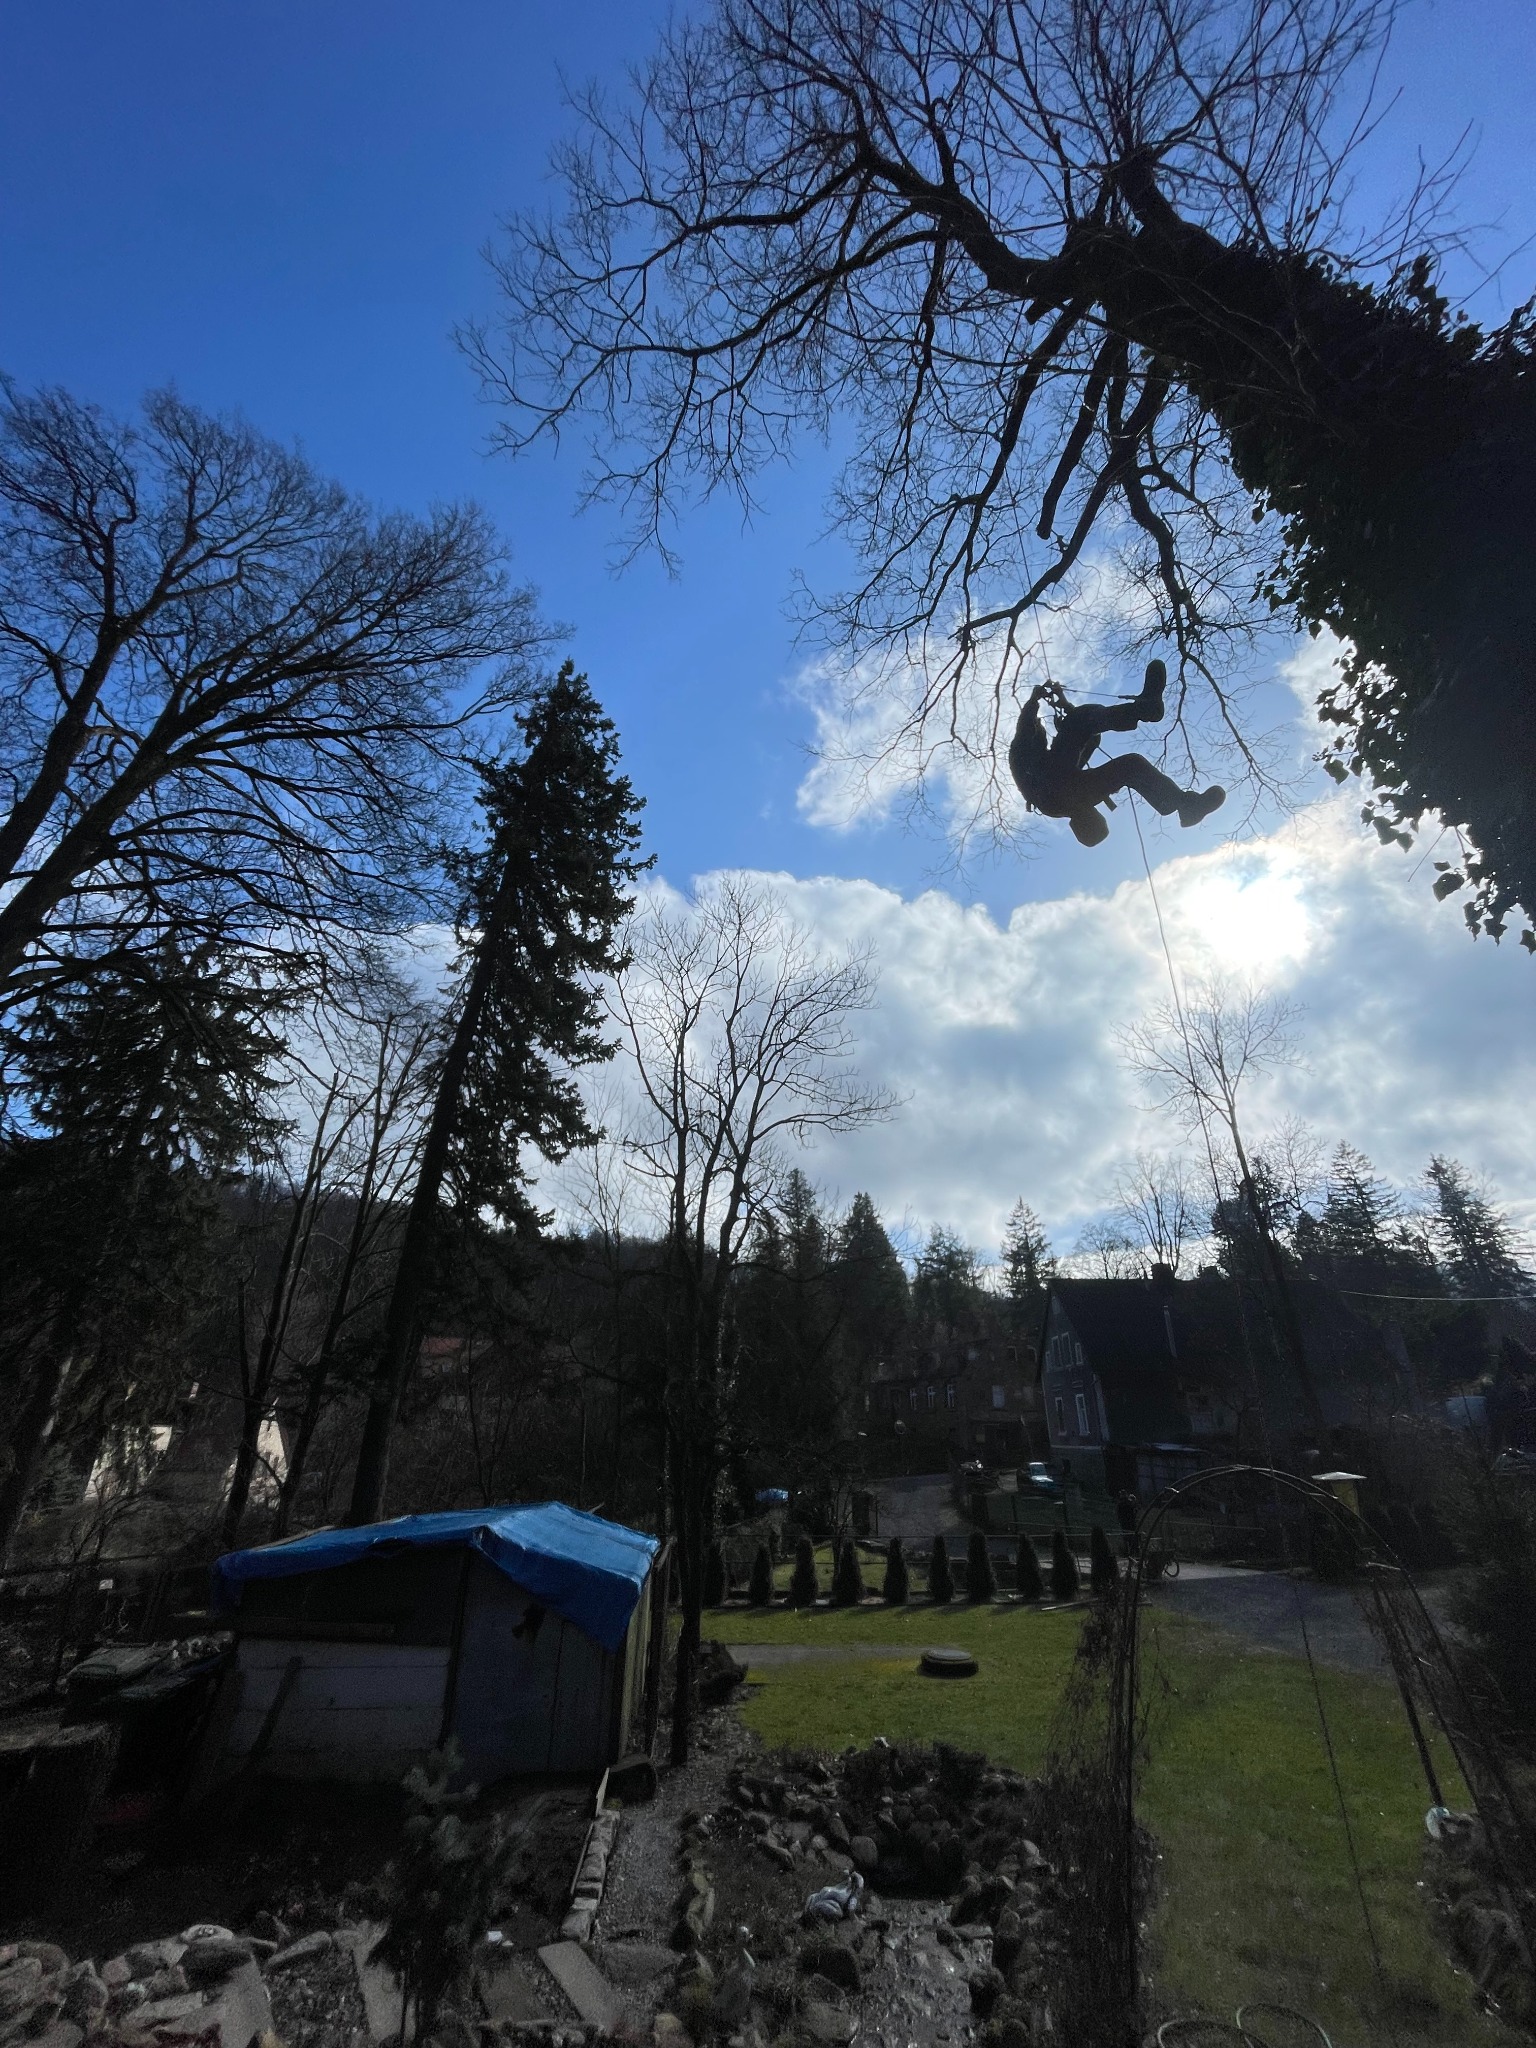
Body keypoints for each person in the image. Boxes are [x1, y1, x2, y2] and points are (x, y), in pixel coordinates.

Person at [1007, 659, 1225, 846]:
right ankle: (1182, 803)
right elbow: (1031, 728)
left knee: (1130, 764)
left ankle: (1181, 804)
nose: (1040, 727)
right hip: (1060, 784)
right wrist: (1034, 701)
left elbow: (1085, 739)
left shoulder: (1049, 783)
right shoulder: (1027, 758)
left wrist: (1065, 710)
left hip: (1063, 783)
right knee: (1082, 724)